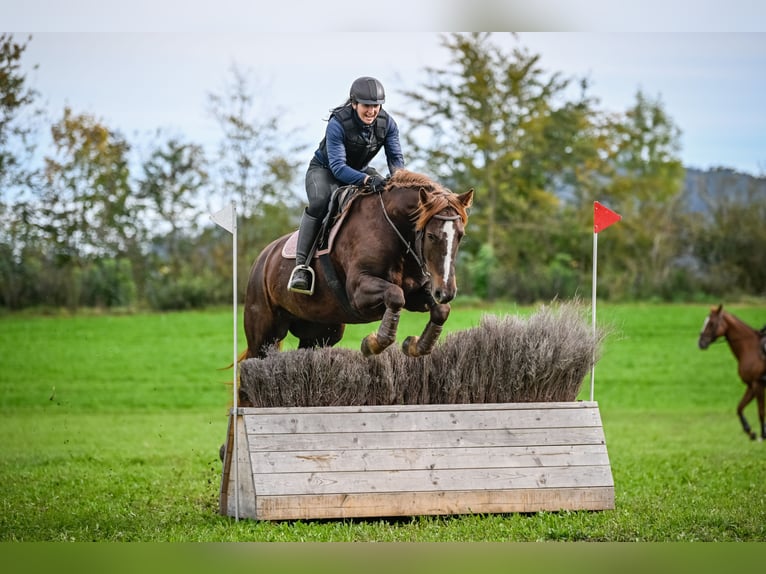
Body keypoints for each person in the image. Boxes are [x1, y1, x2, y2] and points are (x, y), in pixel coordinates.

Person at [287, 76, 406, 295]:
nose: (372, 111)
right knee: (320, 202)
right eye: (367, 106)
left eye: (376, 106)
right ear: (354, 104)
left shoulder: (387, 123)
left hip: (359, 171)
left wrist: (398, 179)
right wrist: (368, 180)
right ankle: (301, 267)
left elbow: (396, 159)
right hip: (325, 171)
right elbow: (338, 167)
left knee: (386, 197)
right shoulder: (338, 123)